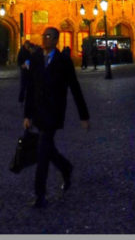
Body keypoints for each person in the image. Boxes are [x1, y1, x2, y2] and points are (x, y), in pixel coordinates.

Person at [23, 27, 90, 208]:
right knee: (47, 148)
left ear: (56, 41)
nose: (44, 39)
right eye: (43, 35)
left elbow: (75, 88)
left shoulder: (63, 61)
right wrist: (27, 115)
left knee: (42, 152)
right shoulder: (36, 59)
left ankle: (40, 194)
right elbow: (31, 87)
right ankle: (66, 168)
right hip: (38, 112)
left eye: (49, 36)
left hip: (53, 113)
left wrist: (83, 115)